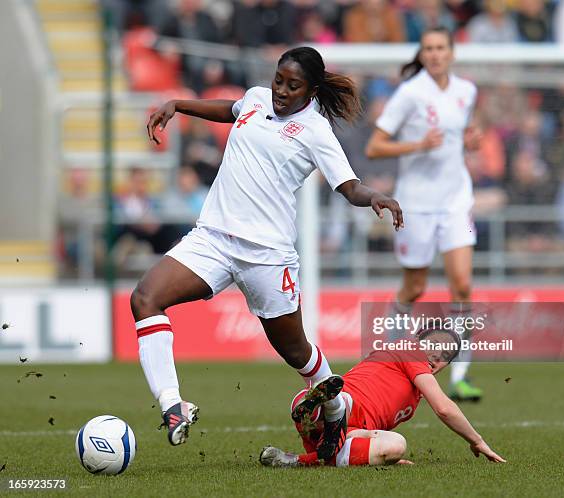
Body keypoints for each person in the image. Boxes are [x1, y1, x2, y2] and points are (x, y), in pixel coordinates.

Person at [135, 46, 403, 461]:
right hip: (214, 239)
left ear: (310, 90)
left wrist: (376, 197)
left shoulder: (315, 130)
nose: (280, 90)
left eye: (292, 85)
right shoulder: (258, 98)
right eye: (279, 79)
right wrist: (177, 105)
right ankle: (173, 405)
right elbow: (232, 109)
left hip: (268, 254)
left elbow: (349, 186)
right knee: (145, 299)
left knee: (294, 350)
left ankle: (336, 410)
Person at [365, 27, 482, 401]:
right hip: (415, 202)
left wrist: (469, 142)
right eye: (428, 48)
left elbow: (460, 136)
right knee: (415, 287)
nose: (434, 54)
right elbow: (374, 147)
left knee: (461, 283)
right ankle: (388, 353)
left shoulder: (466, 91)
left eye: (440, 48)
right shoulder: (410, 93)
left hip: (455, 199)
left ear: (451, 53)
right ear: (422, 54)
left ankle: (460, 374)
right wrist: (417, 144)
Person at [260, 327, 506, 467]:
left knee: (396, 445)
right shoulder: (408, 350)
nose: (437, 355)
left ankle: (298, 458)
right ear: (417, 341)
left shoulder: (413, 395)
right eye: (434, 345)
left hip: (347, 434)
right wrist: (477, 441)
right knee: (338, 401)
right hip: (347, 405)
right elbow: (444, 408)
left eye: (446, 355)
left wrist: (382, 456)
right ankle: (318, 407)